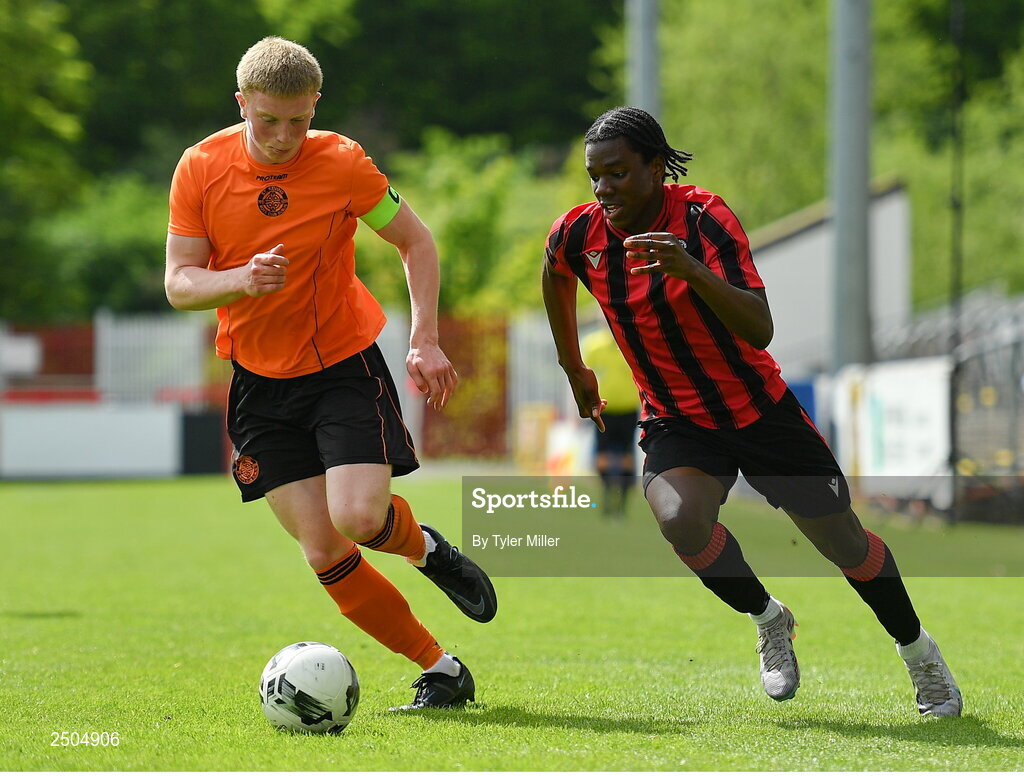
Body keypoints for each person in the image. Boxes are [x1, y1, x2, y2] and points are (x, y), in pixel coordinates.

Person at [541, 106, 961, 717]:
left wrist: (691, 269)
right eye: (595, 176)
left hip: (760, 413)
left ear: (657, 168)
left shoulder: (706, 219)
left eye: (619, 173)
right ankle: (770, 619)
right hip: (678, 420)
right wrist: (573, 367)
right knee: (681, 520)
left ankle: (921, 654)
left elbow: (759, 327)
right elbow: (554, 274)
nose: (604, 189)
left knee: (845, 545)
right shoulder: (579, 234)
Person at [164, 36, 496, 711]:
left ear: (315, 105)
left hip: (341, 366)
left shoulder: (343, 163)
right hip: (258, 383)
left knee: (358, 518)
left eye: (299, 120)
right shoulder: (199, 168)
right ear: (241, 105)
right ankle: (442, 669)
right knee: (324, 551)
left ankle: (426, 549)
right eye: (268, 121)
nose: (285, 136)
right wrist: (240, 282)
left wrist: (425, 339)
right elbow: (179, 283)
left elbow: (415, 241)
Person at [580, 326, 639, 516]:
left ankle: (623, 500)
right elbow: (581, 375)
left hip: (628, 408)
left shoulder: (632, 343)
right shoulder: (595, 345)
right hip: (604, 409)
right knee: (603, 454)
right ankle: (606, 492)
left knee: (626, 455)